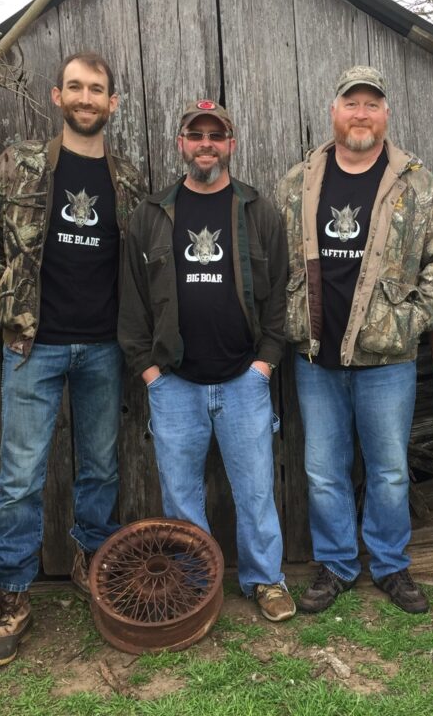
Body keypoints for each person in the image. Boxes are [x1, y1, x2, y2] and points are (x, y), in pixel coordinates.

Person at [0, 52, 147, 667]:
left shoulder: (128, 178)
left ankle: (92, 561)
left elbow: (143, 259)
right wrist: (1, 291)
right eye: (75, 87)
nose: (85, 98)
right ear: (57, 95)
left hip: (104, 347)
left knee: (101, 469)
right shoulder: (21, 162)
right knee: (20, 479)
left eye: (97, 89)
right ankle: (12, 598)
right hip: (32, 345)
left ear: (112, 103)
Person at [277, 65, 433, 615]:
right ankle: (337, 565)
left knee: (388, 471)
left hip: (387, 362)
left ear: (385, 114)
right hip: (316, 358)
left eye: (371, 104)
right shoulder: (298, 183)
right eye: (351, 103)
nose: (360, 114)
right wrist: (290, 318)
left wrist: (409, 321)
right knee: (323, 471)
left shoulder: (416, 183)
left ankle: (389, 565)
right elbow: (274, 262)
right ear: (334, 111)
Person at [117, 100, 294, 622]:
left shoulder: (258, 212)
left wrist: (265, 363)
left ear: (231, 144)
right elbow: (132, 301)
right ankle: (196, 589)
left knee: (256, 491)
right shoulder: (152, 215)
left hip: (243, 379)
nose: (206, 145)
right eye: (196, 135)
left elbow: (279, 295)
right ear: (181, 144)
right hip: (174, 382)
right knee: (180, 498)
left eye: (216, 136)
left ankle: (266, 580)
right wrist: (150, 372)